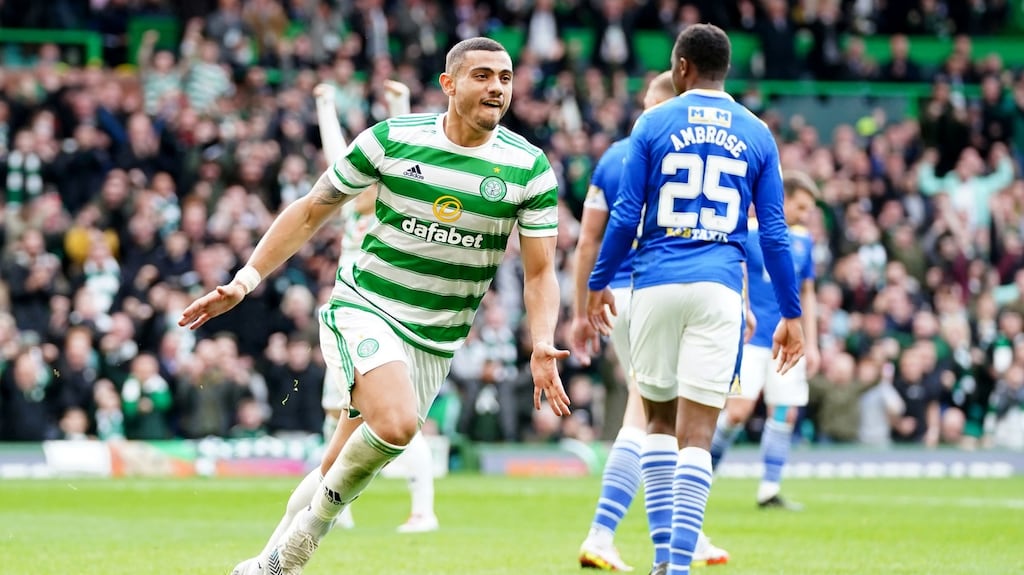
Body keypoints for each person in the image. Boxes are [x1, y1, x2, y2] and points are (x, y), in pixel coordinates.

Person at [180, 37, 572, 575]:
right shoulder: (393, 139)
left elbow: (540, 271)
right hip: (366, 306)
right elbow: (312, 210)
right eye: (482, 75)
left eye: (505, 78)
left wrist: (543, 341)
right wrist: (244, 280)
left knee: (338, 461)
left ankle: (262, 565)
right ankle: (294, 554)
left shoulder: (528, 167)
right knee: (397, 424)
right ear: (449, 84)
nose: (497, 88)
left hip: (436, 338)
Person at [586, 24, 804, 575]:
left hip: (656, 282)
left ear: (681, 66)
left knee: (657, 422)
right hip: (720, 288)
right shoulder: (757, 132)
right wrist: (792, 313)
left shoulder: (653, 122)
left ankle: (663, 557)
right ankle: (679, 567)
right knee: (699, 437)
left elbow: (624, 216)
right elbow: (774, 233)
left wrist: (598, 282)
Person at [571, 71, 727, 572]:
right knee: (652, 416)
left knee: (662, 415)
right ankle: (608, 532)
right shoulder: (697, 150)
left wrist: (580, 306)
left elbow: (588, 240)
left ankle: (683, 533)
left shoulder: (614, 155)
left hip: (615, 293)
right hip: (659, 285)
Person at [708, 170, 821, 510]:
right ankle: (704, 474)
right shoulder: (746, 231)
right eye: (801, 207)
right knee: (738, 412)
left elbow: (807, 292)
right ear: (783, 200)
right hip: (751, 339)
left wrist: (812, 343)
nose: (805, 215)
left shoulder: (803, 241)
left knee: (785, 412)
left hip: (788, 341)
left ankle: (769, 490)